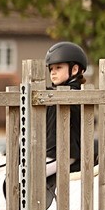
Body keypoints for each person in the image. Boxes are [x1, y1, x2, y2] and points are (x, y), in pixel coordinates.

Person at [43, 41, 87, 183]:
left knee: (21, 177)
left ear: (74, 70)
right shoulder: (52, 94)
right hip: (51, 153)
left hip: (65, 155)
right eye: (51, 69)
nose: (53, 72)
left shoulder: (74, 94)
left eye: (58, 67)